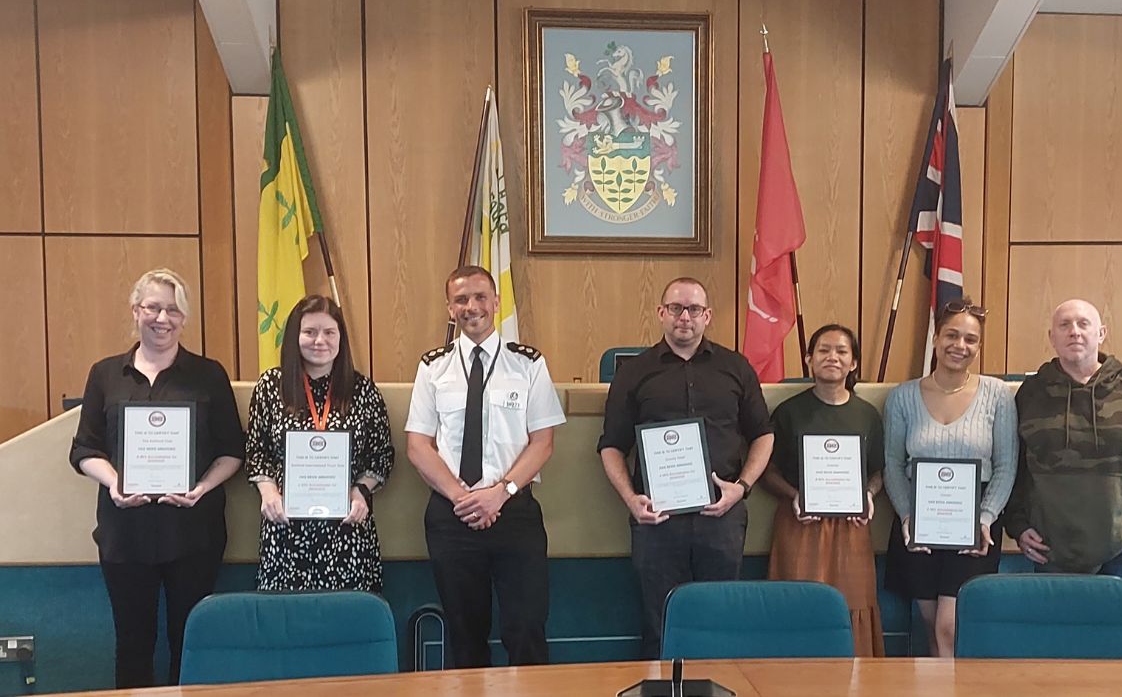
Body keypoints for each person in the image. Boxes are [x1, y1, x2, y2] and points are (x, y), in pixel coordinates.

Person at [69, 269, 244, 688]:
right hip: (125, 535)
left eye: (172, 309)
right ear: (136, 311)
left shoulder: (208, 374)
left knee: (191, 642)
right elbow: (83, 450)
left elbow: (233, 451)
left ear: (184, 317)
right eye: (152, 307)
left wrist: (201, 488)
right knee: (132, 645)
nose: (162, 318)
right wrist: (114, 483)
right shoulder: (105, 374)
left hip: (193, 534)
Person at [598, 277, 774, 660]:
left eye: (694, 309)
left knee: (720, 619)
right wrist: (630, 499)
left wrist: (741, 488)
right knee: (659, 623)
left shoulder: (736, 368)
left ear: (707, 316)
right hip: (657, 520)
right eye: (676, 308)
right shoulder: (634, 372)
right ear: (661, 313)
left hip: (721, 515)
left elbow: (763, 435)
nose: (685, 317)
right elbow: (611, 446)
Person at [406, 266, 566, 668]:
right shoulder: (433, 367)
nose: (471, 307)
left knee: (527, 627)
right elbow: (418, 446)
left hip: (514, 510)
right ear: (449, 309)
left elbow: (543, 442)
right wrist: (465, 498)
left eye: (480, 297)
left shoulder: (528, 364)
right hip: (451, 514)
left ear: (496, 303)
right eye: (461, 300)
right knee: (464, 632)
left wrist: (499, 493)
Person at [1004, 299, 1122, 595]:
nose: (1074, 332)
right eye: (1064, 325)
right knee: (1061, 639)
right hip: (1051, 551)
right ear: (1052, 337)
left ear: (1100, 333)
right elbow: (1012, 469)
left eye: (1083, 324)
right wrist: (1019, 526)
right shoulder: (1032, 394)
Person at [882, 298, 1017, 657]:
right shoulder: (902, 397)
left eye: (971, 339)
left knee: (950, 625)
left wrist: (985, 520)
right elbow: (893, 465)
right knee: (930, 626)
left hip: (975, 523)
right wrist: (908, 516)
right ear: (936, 339)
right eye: (952, 335)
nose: (960, 346)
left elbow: (1006, 466)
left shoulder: (998, 395)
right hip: (919, 521)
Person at [245, 295, 394, 592]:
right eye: (310, 332)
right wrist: (268, 491)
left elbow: (382, 455)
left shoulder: (362, 390)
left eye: (329, 332)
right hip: (286, 529)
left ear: (341, 338)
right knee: (287, 627)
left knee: (347, 627)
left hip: (347, 530)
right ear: (294, 337)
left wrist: (362, 490)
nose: (319, 341)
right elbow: (255, 451)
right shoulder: (270, 387)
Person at [762, 323, 885, 657]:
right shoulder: (788, 412)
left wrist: (869, 495)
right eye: (824, 350)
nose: (833, 357)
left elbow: (879, 471)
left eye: (842, 351)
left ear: (854, 363)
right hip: (800, 523)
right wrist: (793, 495)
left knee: (853, 604)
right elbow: (767, 472)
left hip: (851, 526)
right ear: (809, 359)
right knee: (797, 605)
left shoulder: (867, 415)